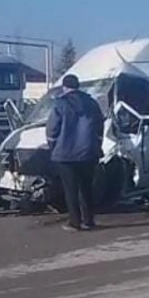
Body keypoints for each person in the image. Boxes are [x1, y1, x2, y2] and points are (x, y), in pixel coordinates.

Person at [46, 74, 105, 231]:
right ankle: (89, 220)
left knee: (70, 189)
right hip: (89, 153)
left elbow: (52, 129)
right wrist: (97, 144)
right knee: (86, 187)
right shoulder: (92, 103)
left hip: (65, 154)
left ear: (65, 87)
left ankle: (75, 222)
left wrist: (53, 146)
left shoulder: (60, 104)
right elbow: (100, 126)